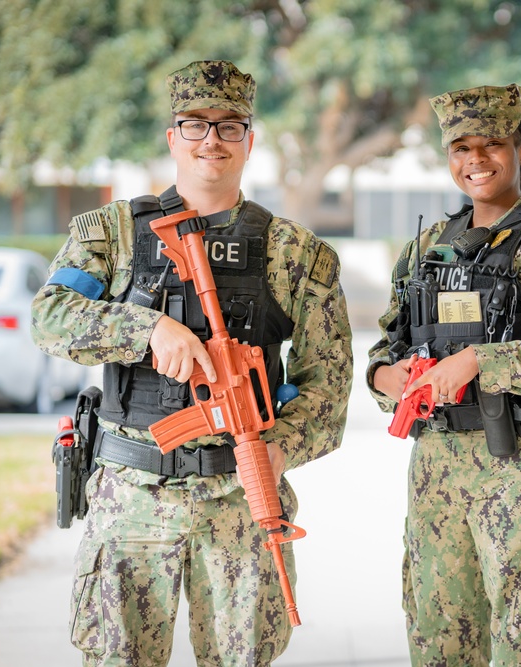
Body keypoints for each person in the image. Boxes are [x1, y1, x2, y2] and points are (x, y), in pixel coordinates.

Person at [31, 60, 353, 666]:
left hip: (240, 498)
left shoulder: (296, 254)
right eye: (195, 124)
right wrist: (147, 327)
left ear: (250, 141)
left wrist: (280, 448)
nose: (212, 140)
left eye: (230, 126)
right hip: (131, 496)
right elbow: (49, 318)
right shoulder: (113, 233)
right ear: (172, 137)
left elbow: (328, 385)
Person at [365, 83, 521, 666]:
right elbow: (386, 342)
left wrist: (481, 362)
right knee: (440, 644)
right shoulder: (426, 245)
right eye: (460, 147)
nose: (476, 160)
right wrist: (383, 377)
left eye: (492, 143)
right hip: (437, 479)